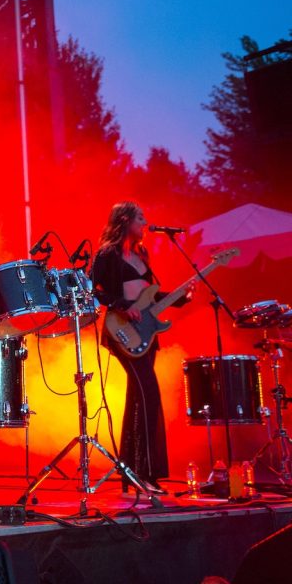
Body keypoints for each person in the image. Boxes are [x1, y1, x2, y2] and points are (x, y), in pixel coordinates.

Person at [90, 201, 193, 495]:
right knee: (148, 391)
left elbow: (151, 295)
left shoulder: (141, 254)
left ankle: (135, 472)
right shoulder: (107, 255)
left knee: (140, 396)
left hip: (146, 333)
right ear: (124, 220)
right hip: (122, 330)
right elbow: (95, 289)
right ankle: (144, 472)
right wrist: (122, 306)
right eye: (141, 218)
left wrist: (180, 297)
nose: (146, 223)